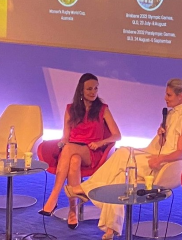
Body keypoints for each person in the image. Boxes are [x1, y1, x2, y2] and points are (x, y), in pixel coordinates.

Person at [65, 78, 182, 240]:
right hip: (155, 156)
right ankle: (111, 229)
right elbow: (164, 145)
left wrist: (160, 159)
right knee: (120, 178)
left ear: (180, 96)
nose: (165, 98)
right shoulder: (170, 114)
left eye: (169, 95)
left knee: (123, 153)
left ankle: (85, 189)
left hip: (166, 165)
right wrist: (161, 136)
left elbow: (181, 152)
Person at [39, 73, 121, 230]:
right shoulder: (71, 109)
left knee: (70, 150)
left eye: (96, 88)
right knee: (74, 159)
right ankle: (73, 211)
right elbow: (66, 136)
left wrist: (100, 142)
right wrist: (61, 145)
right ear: (81, 90)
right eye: (89, 89)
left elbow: (117, 135)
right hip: (72, 150)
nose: (93, 92)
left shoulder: (102, 109)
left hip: (92, 152)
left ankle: (54, 197)